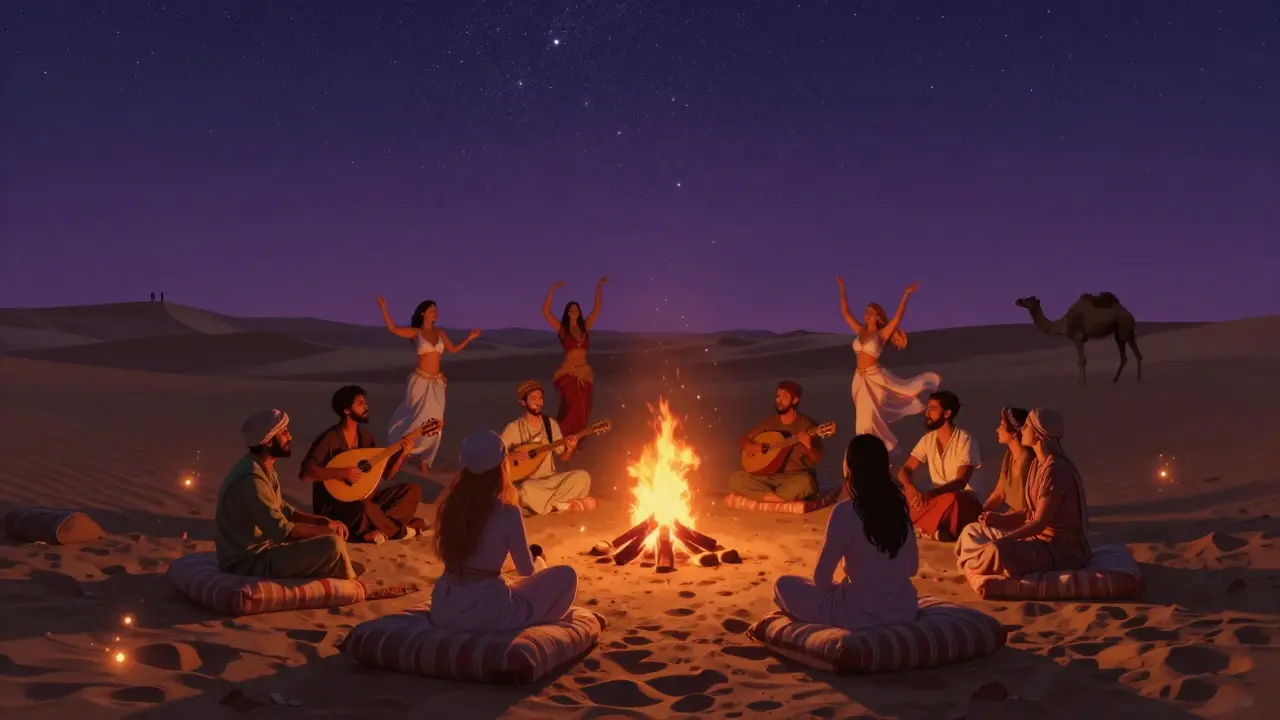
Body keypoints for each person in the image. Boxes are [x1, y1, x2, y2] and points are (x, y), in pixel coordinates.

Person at [429, 430, 578, 631]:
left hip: (443, 608)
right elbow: (526, 570)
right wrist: (539, 561)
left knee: (502, 584)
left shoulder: (451, 505)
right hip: (484, 611)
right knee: (566, 575)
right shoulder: (507, 512)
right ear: (501, 466)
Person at [773, 434, 919, 630]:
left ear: (850, 468)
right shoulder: (900, 508)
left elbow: (821, 578)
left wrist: (842, 588)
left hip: (856, 613)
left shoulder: (845, 511)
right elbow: (912, 569)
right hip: (904, 611)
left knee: (783, 585)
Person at [214, 409, 356, 580]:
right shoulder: (251, 479)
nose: (290, 437)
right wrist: (327, 531)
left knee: (327, 540)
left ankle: (345, 576)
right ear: (268, 441)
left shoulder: (264, 468)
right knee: (331, 545)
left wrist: (321, 521)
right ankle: (351, 584)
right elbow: (283, 532)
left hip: (264, 551)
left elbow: (282, 509)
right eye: (284, 433)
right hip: (247, 563)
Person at [956, 408, 1091, 576]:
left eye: (1026, 426)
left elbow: (1039, 522)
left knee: (999, 549)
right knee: (983, 540)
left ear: (1039, 434)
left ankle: (979, 565)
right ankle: (982, 562)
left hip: (1062, 549)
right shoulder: (1038, 465)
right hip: (1040, 541)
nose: (1022, 430)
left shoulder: (1055, 469)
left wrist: (1007, 538)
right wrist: (999, 519)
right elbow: (1030, 513)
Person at [299, 385, 428, 544]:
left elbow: (386, 474)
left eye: (364, 403)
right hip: (336, 508)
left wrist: (402, 454)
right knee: (364, 507)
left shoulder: (365, 437)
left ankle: (377, 529)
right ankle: (401, 531)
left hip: (366, 501)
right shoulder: (329, 439)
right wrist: (342, 473)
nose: (366, 406)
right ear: (347, 410)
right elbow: (306, 473)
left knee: (412, 490)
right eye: (360, 403)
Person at [377, 296, 482, 473]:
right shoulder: (416, 332)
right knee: (415, 417)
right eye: (432, 309)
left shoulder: (440, 332)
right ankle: (402, 450)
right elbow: (393, 328)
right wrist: (383, 308)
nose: (436, 312)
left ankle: (426, 459)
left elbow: (453, 349)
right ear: (423, 313)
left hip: (437, 383)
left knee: (437, 421)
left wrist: (469, 338)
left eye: (436, 309)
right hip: (419, 380)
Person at [836, 277, 940, 452]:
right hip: (858, 379)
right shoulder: (860, 331)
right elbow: (846, 314)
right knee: (861, 418)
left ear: (877, 317)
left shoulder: (882, 334)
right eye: (866, 311)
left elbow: (898, 317)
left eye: (870, 312)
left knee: (869, 416)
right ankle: (865, 450)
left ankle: (876, 449)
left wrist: (906, 294)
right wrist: (842, 289)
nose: (866, 314)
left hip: (875, 378)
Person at [896, 391, 983, 542]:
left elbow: (960, 482)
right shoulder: (927, 440)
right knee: (900, 496)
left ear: (947, 413)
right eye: (927, 408)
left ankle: (924, 527)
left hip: (964, 499)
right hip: (936, 498)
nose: (927, 413)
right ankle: (934, 529)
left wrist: (932, 494)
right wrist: (910, 488)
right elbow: (905, 470)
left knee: (953, 499)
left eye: (932, 409)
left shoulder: (965, 440)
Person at [500, 380, 593, 515]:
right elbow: (497, 457)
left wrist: (571, 448)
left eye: (540, 398)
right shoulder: (514, 428)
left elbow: (564, 457)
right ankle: (562, 505)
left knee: (583, 477)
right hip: (530, 483)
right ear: (522, 402)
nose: (538, 402)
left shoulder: (550, 425)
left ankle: (551, 506)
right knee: (525, 490)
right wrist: (512, 455)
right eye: (533, 399)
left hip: (550, 480)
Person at [727, 380, 822, 502]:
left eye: (785, 396)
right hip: (768, 476)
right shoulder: (770, 421)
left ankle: (764, 495)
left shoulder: (807, 425)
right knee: (735, 478)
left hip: (794, 477)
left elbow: (817, 459)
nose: (779, 400)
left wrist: (809, 447)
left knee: (807, 483)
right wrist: (748, 446)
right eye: (778, 396)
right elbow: (744, 438)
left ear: (795, 400)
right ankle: (774, 497)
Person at [541, 276, 607, 440]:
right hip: (569, 374)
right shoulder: (563, 330)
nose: (574, 311)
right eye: (570, 309)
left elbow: (597, 309)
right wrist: (553, 289)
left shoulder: (585, 328)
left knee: (584, 408)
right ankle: (560, 437)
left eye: (576, 308)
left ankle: (575, 440)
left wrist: (599, 287)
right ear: (567, 312)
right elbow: (546, 312)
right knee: (573, 406)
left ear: (579, 312)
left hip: (584, 373)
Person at [982, 407, 1032, 515]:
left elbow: (1025, 505)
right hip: (1010, 515)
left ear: (1014, 432)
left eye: (1002, 426)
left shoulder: (1026, 459)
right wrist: (980, 514)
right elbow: (999, 492)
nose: (997, 429)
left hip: (1022, 519)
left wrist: (1002, 519)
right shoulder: (1009, 455)